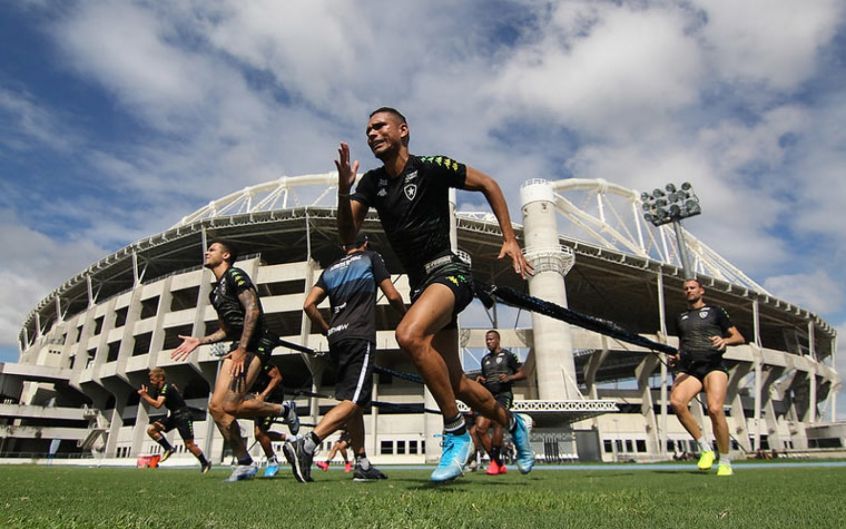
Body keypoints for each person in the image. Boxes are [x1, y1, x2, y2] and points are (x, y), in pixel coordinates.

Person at [335, 107, 535, 482]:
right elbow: (347, 237)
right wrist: (344, 190)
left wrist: (510, 239)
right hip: (420, 284)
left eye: (379, 127)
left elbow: (489, 184)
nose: (372, 134)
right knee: (456, 382)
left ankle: (455, 430)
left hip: (451, 272)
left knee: (409, 335)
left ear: (403, 130)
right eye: (367, 130)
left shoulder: (432, 167)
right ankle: (515, 423)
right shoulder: (371, 183)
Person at [171, 240, 299, 482]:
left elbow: (253, 310)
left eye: (213, 249)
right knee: (217, 408)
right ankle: (245, 463)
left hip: (256, 341)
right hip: (238, 343)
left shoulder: (235, 275)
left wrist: (241, 350)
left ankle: (284, 409)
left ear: (226, 255)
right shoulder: (214, 292)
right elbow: (226, 329)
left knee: (230, 405)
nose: (207, 252)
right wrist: (200, 340)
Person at [286, 235, 405, 483]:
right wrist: (406, 316)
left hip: (337, 339)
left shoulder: (330, 270)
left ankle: (361, 463)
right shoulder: (371, 258)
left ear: (343, 247)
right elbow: (392, 295)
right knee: (354, 400)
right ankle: (308, 444)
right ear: (366, 243)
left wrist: (326, 329)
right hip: (359, 336)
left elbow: (308, 305)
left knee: (354, 406)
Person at [669, 278, 744, 476]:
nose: (688, 291)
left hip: (713, 366)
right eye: (685, 289)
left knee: (715, 408)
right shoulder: (680, 317)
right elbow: (682, 345)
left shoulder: (715, 311)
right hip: (690, 368)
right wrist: (675, 357)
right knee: (677, 402)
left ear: (701, 291)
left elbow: (739, 337)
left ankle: (725, 461)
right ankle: (705, 449)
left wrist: (725, 340)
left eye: (692, 288)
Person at [138, 367, 212, 474]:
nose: (151, 381)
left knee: (189, 445)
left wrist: (144, 396)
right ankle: (168, 448)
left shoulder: (166, 387)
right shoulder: (163, 388)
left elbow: (158, 405)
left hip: (184, 416)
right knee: (152, 430)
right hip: (174, 416)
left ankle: (205, 463)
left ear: (160, 378)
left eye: (153, 379)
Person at [473, 330, 526, 475]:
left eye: (491, 339)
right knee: (480, 429)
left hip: (504, 395)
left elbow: (523, 373)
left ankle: (495, 464)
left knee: (497, 423)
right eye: (487, 340)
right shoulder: (485, 360)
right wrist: (481, 380)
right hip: (489, 397)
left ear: (498, 340)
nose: (488, 342)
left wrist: (510, 377)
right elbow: (485, 377)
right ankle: (497, 462)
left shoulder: (508, 356)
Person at [250, 362, 293, 478]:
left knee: (259, 433)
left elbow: (277, 377)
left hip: (273, 399)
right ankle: (290, 438)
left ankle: (272, 462)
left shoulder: (261, 362)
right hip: (258, 401)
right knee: (260, 434)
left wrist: (263, 395)